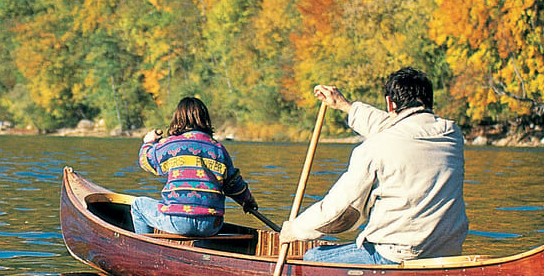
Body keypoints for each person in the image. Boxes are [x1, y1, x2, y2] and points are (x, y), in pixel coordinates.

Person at [280, 67, 468, 264]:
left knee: (312, 257)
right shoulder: (452, 134)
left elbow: (338, 210)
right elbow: (399, 127)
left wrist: (295, 229)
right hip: (447, 251)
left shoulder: (374, 148)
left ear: (390, 103)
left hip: (396, 255)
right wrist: (345, 106)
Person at [131, 96, 257, 236]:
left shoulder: (171, 145)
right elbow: (234, 185)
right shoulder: (219, 149)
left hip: (178, 222)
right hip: (211, 225)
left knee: (137, 205)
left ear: (177, 119)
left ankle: (145, 246)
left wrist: (148, 142)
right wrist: (248, 201)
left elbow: (145, 161)